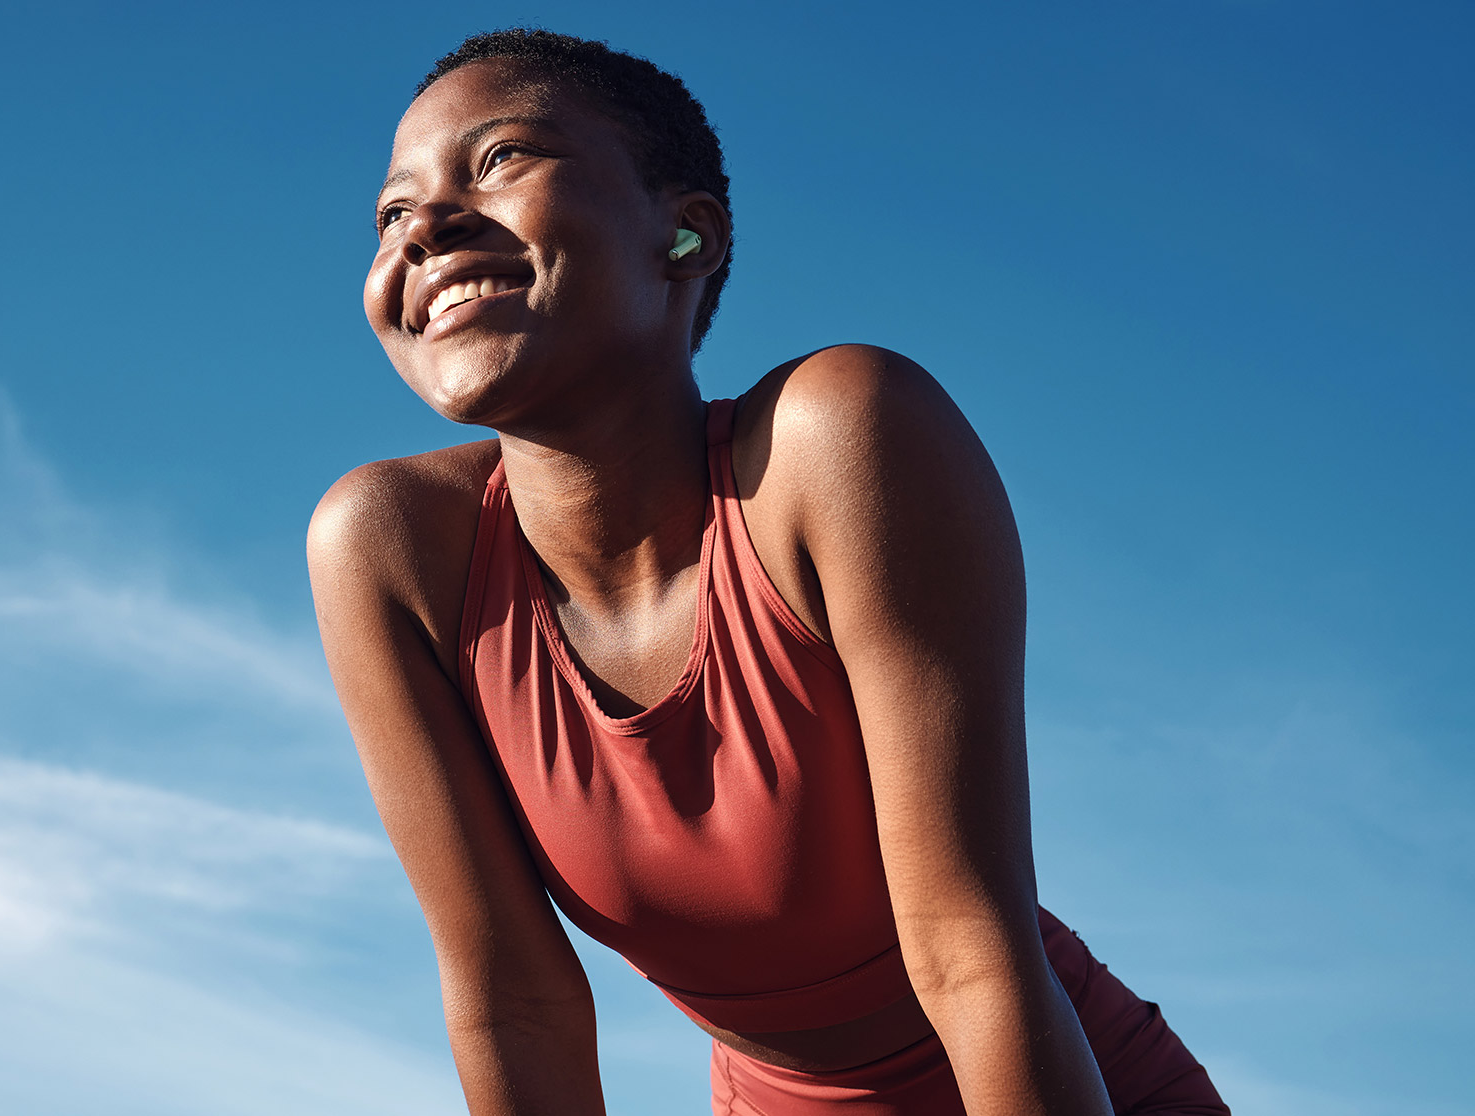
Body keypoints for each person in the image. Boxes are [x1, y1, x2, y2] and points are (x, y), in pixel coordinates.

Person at [307, 29, 1229, 1116]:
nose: (424, 226)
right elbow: (515, 1002)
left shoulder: (837, 440)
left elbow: (968, 952)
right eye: (391, 212)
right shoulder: (389, 549)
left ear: (686, 236)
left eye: (501, 158)